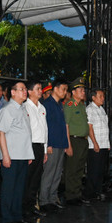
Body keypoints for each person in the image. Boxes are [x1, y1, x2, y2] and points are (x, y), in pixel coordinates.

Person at [0, 80, 34, 223]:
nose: (25, 92)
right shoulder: (7, 110)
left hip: (23, 155)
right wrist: (5, 156)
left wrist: (29, 153)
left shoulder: (23, 108)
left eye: (25, 89)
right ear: (12, 92)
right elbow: (1, 133)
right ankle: (7, 219)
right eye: (21, 89)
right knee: (9, 189)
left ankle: (17, 216)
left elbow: (25, 133)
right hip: (11, 156)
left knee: (19, 188)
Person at [39, 78, 69, 211]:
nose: (65, 92)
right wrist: (48, 144)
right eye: (63, 89)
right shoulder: (47, 104)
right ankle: (44, 201)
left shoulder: (59, 105)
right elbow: (45, 126)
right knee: (49, 173)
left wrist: (66, 144)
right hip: (52, 144)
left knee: (57, 173)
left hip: (60, 143)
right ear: (55, 89)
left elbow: (62, 126)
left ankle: (52, 198)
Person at [63, 77, 90, 205]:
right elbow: (66, 126)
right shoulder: (69, 106)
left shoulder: (81, 105)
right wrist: (68, 145)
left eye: (83, 89)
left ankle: (77, 194)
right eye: (80, 89)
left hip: (83, 141)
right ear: (73, 92)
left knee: (79, 169)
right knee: (71, 169)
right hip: (74, 140)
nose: (83, 91)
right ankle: (70, 196)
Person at [23, 79, 48, 217]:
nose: (40, 91)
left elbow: (45, 130)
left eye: (41, 88)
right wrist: (27, 151)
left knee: (36, 179)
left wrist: (44, 150)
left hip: (39, 146)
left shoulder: (42, 108)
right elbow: (25, 132)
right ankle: (24, 208)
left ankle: (32, 206)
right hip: (30, 146)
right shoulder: (25, 107)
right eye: (38, 88)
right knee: (28, 178)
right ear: (30, 91)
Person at [85, 88, 110, 200]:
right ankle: (90, 194)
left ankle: (98, 192)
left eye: (103, 96)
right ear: (93, 97)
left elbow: (105, 127)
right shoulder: (90, 109)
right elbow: (89, 127)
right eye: (100, 96)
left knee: (100, 171)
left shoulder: (101, 109)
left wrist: (108, 144)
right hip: (94, 146)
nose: (103, 98)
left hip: (103, 144)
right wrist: (95, 143)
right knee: (93, 170)